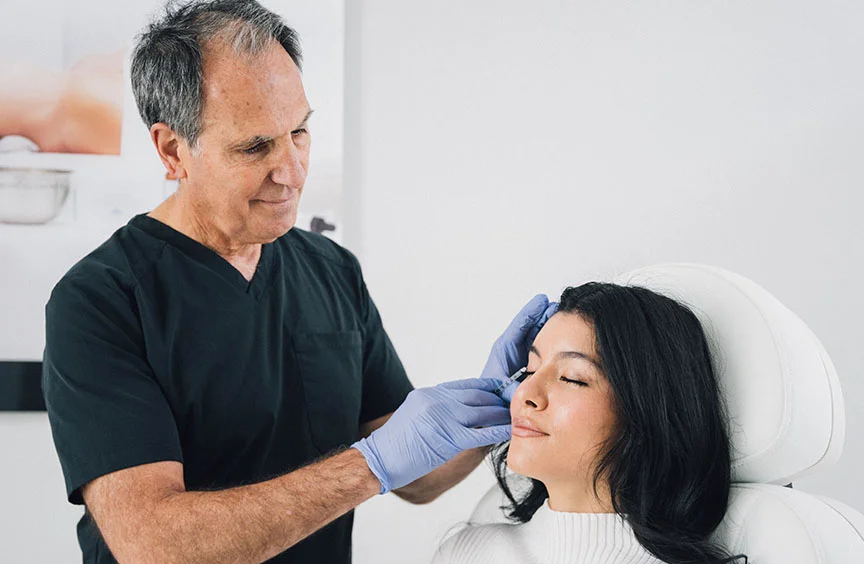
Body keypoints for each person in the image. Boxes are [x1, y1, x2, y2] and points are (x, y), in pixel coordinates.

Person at [40, 1, 556, 562]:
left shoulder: (331, 271)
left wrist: (496, 403)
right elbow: (155, 544)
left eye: (300, 132)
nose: (291, 171)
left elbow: (417, 477)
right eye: (255, 146)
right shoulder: (101, 301)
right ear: (172, 150)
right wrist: (369, 465)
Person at [433, 283, 749, 564]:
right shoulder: (463, 552)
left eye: (571, 378)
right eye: (529, 370)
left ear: (645, 412)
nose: (524, 394)